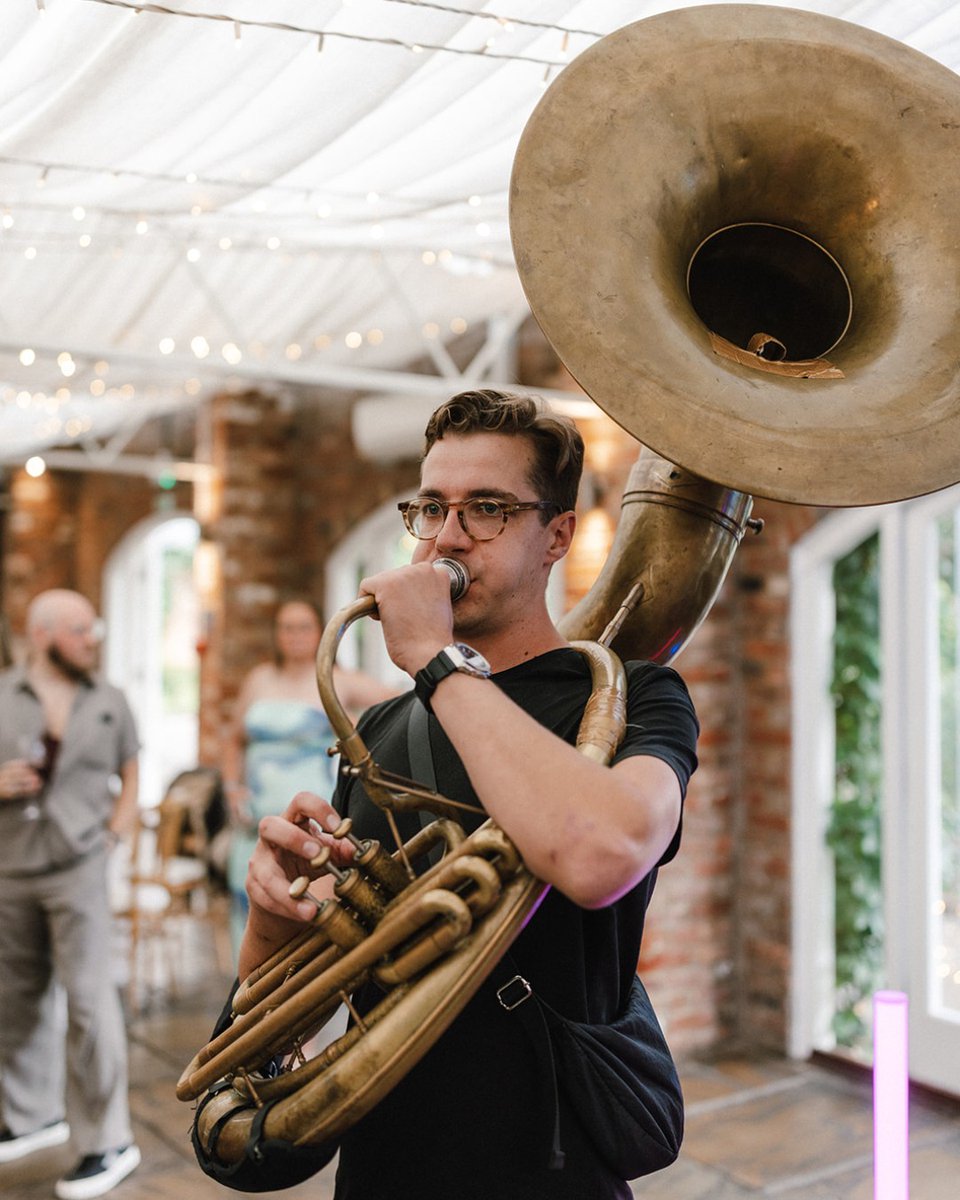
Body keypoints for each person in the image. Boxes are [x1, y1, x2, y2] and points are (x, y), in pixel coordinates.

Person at [198, 389, 699, 1199]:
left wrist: (436, 659)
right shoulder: (381, 725)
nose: (447, 536)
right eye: (432, 507)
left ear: (558, 536)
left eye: (488, 509)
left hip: (553, 1166)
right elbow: (310, 994)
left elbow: (603, 854)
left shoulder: (633, 693)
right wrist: (272, 925)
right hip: (385, 1165)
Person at [0, 589, 142, 1199]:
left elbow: (131, 772)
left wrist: (115, 835)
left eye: (94, 629)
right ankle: (31, 1116)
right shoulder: (3, 695)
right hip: (9, 865)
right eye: (80, 630)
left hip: (80, 866)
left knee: (88, 1001)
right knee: (15, 998)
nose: (92, 640)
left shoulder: (110, 700)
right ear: (42, 635)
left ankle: (109, 1140)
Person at [221, 598, 397, 958]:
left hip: (312, 828)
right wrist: (232, 788)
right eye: (287, 627)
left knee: (305, 920)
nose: (295, 635)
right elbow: (234, 740)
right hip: (254, 823)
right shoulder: (259, 679)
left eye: (303, 627)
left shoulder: (337, 680)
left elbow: (398, 706)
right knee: (252, 912)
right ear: (277, 634)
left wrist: (354, 729)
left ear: (320, 632)